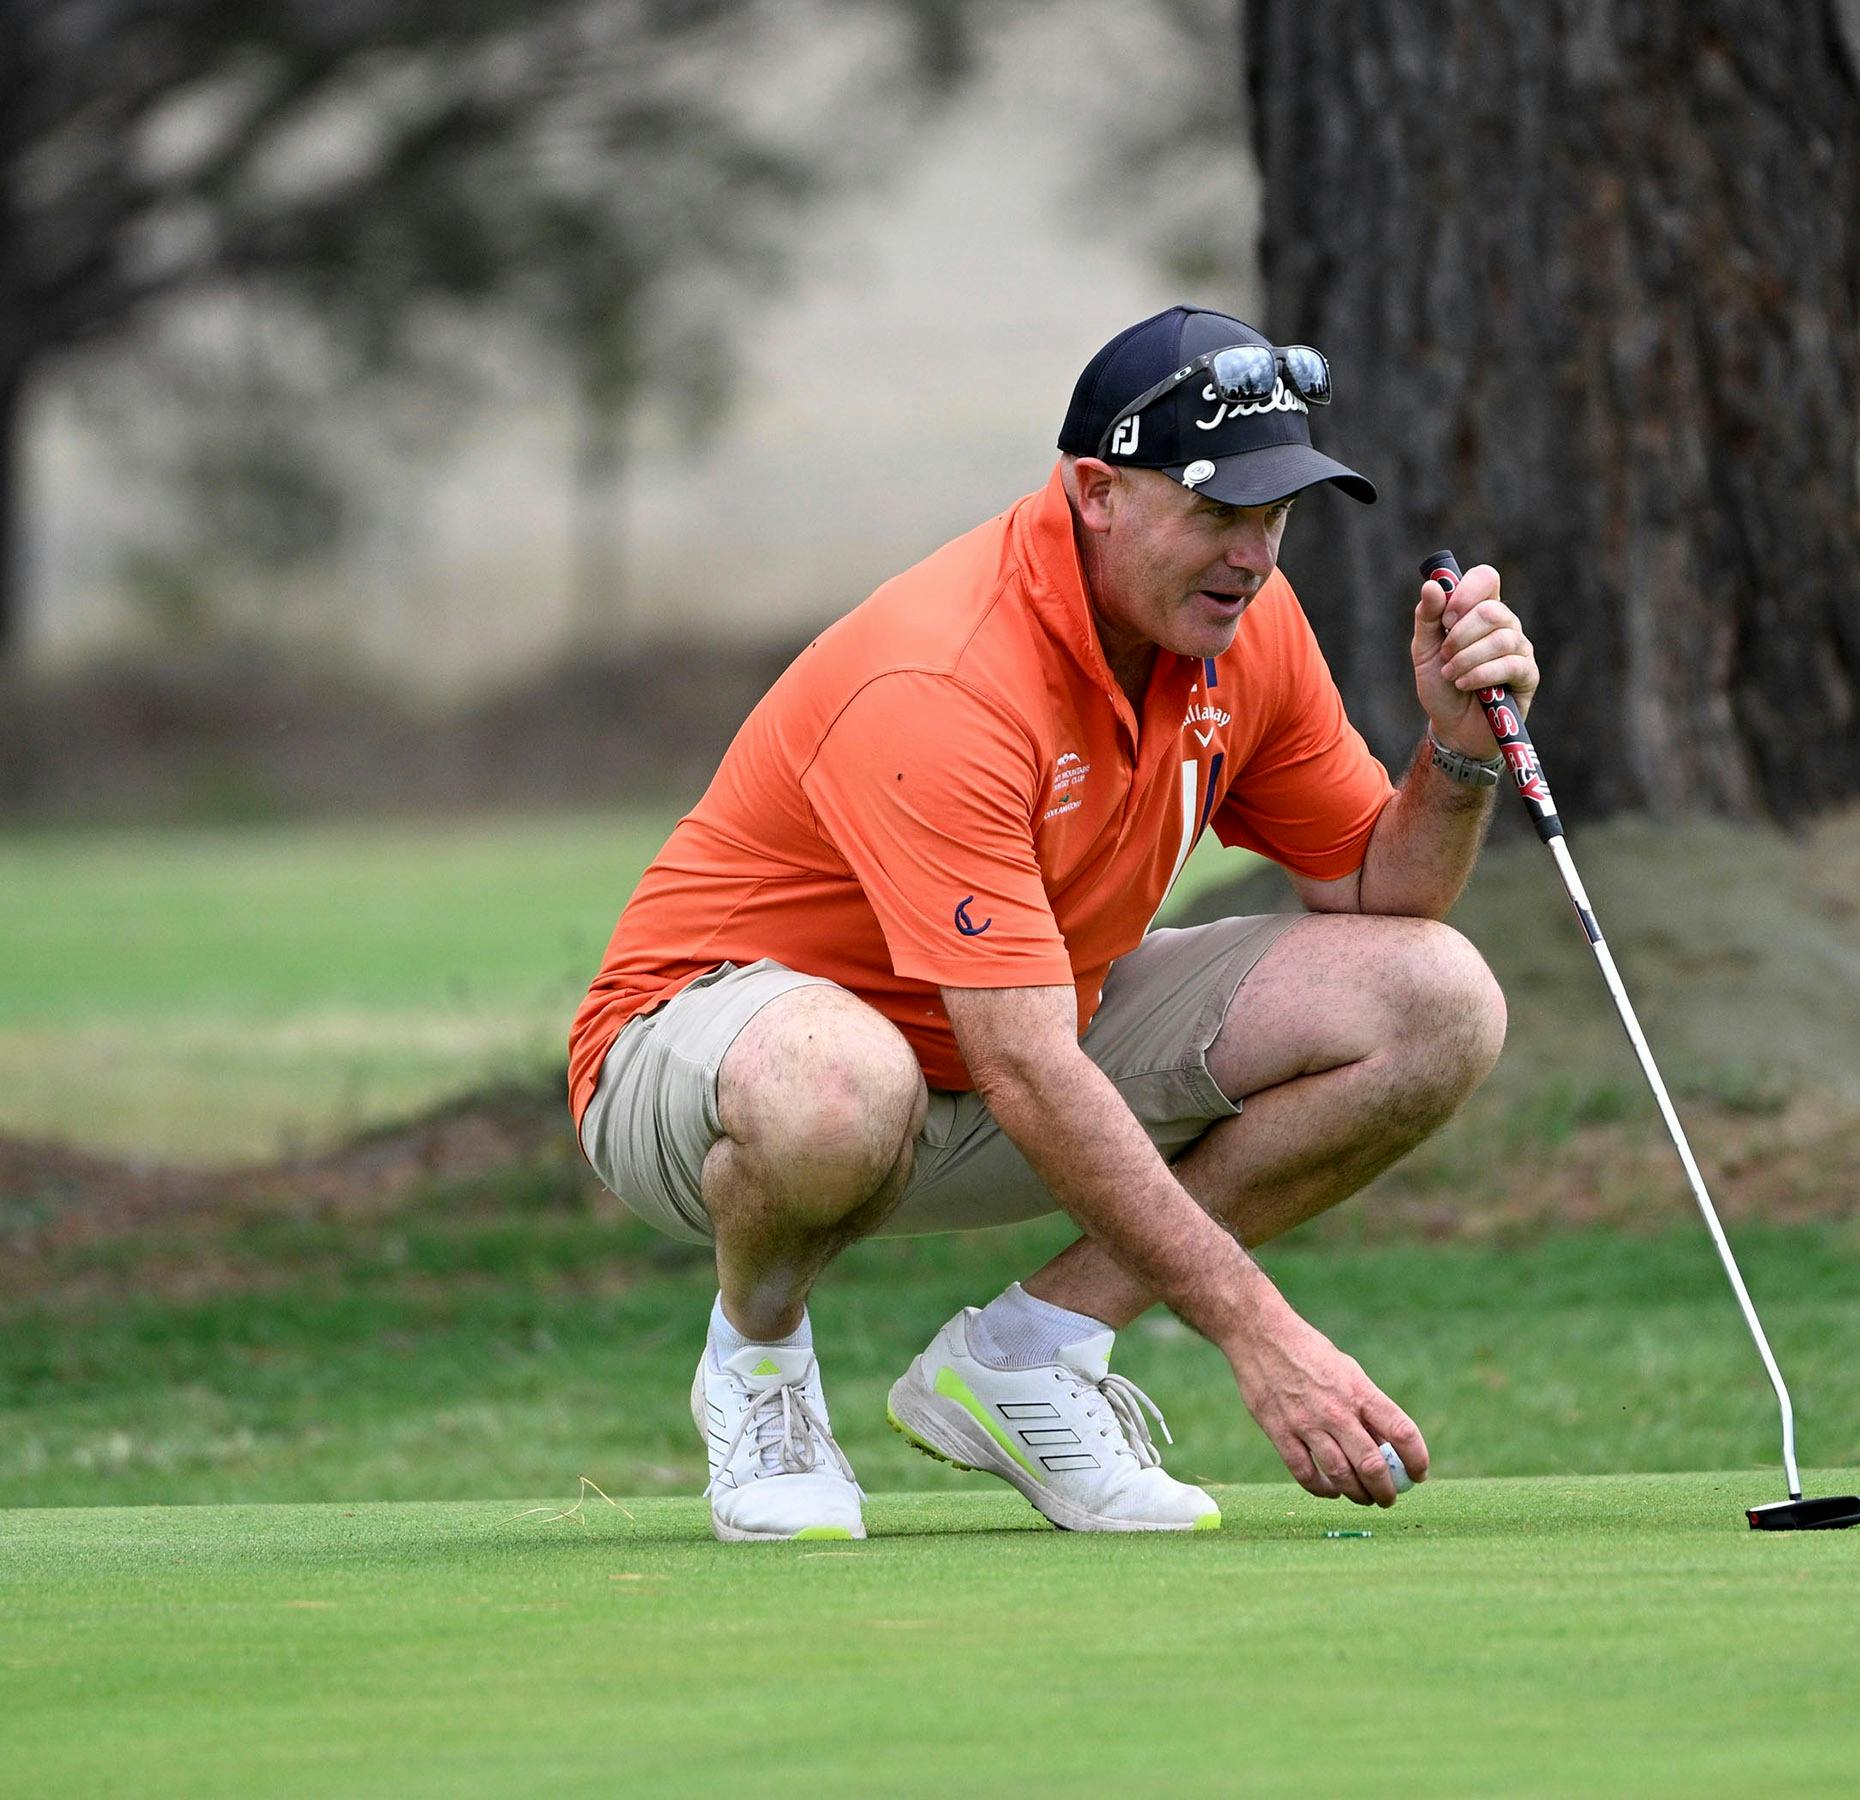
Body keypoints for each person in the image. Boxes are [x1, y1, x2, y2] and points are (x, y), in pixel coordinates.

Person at [567, 305, 1539, 1542]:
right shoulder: (945, 675)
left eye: (1277, 514)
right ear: (1095, 492)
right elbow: (1025, 1066)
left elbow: (1378, 899)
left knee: (1436, 998)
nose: (1254, 555)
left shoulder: (1242, 629)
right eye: (1219, 511)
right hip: (705, 1061)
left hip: (996, 1053)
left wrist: (1455, 752)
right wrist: (1264, 1336)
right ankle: (756, 1366)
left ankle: (1030, 1355)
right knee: (840, 1087)